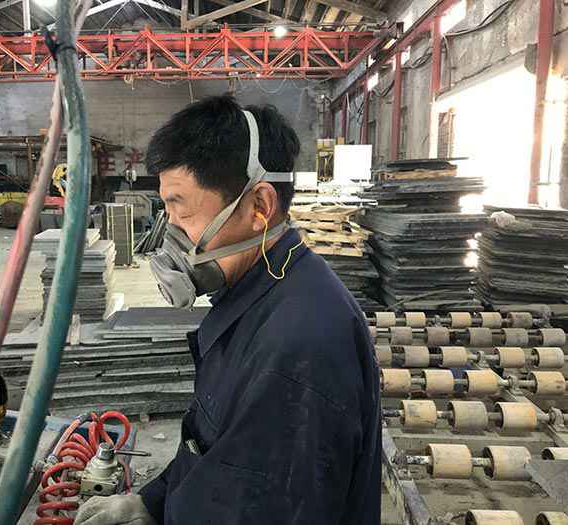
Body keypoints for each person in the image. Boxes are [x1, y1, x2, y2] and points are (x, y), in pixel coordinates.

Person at [74, 95, 381, 525]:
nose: (171, 234)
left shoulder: (298, 349)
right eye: (166, 210)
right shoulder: (258, 294)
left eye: (182, 209)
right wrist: (154, 502)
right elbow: (212, 445)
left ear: (259, 207)